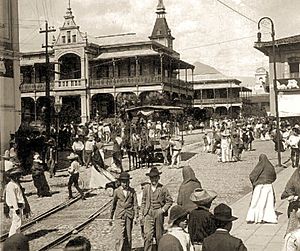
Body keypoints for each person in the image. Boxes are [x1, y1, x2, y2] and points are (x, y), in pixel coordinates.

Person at [141, 167, 173, 251]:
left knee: (159, 236)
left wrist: (162, 210)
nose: (153, 179)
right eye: (152, 178)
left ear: (158, 178)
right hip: (148, 213)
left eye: (155, 177)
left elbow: (169, 201)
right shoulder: (146, 189)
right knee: (148, 236)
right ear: (149, 178)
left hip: (158, 214)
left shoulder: (163, 189)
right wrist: (142, 213)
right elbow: (143, 201)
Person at [110, 172, 139, 251]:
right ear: (120, 182)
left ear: (129, 182)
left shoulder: (132, 191)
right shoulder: (117, 191)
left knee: (128, 236)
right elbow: (113, 204)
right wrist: (110, 217)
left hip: (129, 216)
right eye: (123, 182)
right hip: (119, 216)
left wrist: (136, 216)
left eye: (126, 182)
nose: (125, 184)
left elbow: (135, 204)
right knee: (119, 237)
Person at [246, 154, 277, 224]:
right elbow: (274, 176)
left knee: (256, 202)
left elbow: (252, 175)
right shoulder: (270, 166)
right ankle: (267, 217)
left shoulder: (259, 166)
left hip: (259, 186)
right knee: (268, 202)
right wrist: (269, 181)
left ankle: (253, 217)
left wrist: (254, 182)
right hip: (268, 186)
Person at [5, 168, 25, 237]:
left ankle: (16, 237)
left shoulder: (15, 184)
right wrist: (16, 208)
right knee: (16, 224)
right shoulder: (10, 185)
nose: (18, 177)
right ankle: (11, 238)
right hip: (15, 207)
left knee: (18, 223)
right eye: (17, 176)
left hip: (19, 206)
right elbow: (13, 198)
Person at [281, 168, 300, 234]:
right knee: (292, 229)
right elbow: (289, 187)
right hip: (296, 207)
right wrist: (291, 195)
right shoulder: (295, 177)